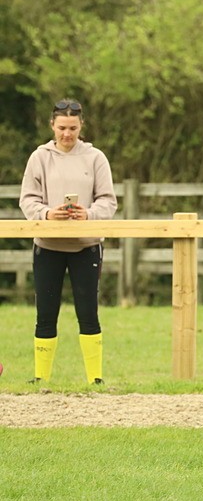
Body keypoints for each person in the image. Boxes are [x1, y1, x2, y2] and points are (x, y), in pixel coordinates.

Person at [19, 100, 118, 385]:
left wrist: (89, 214)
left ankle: (95, 379)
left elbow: (108, 200)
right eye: (62, 128)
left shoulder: (95, 157)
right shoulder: (39, 157)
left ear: (81, 126)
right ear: (52, 126)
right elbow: (28, 198)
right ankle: (41, 378)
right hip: (48, 245)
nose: (67, 134)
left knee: (87, 310)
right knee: (46, 312)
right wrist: (47, 214)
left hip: (86, 246)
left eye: (73, 128)